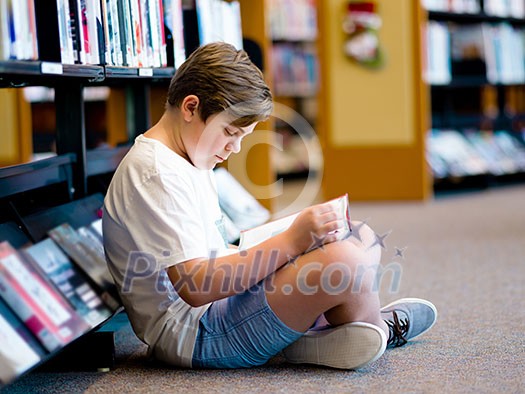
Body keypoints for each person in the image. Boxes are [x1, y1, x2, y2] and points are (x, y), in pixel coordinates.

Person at [103, 42, 437, 370]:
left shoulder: (189, 156)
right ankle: (373, 328)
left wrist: (290, 242)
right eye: (230, 132)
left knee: (358, 236)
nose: (234, 149)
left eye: (243, 137)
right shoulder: (158, 172)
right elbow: (196, 286)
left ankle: (325, 331)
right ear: (190, 107)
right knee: (346, 262)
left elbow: (214, 251)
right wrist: (290, 241)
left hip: (221, 307)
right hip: (199, 334)